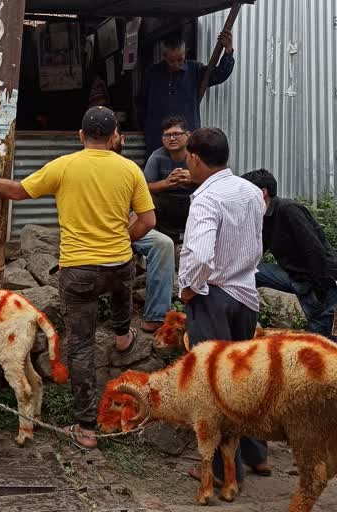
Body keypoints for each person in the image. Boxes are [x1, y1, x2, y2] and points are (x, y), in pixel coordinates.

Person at [0, 106, 156, 449]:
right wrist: (120, 240)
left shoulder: (64, 165)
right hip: (118, 263)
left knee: (82, 345)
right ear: (116, 135)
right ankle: (122, 335)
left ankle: (86, 428)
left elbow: (16, 191)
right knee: (122, 286)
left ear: (80, 136)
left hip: (79, 270)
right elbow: (147, 221)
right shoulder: (131, 169)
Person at [177, 127, 270, 485]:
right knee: (242, 377)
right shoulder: (251, 191)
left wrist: (188, 287)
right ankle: (256, 455)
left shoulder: (206, 198)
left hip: (213, 295)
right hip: (246, 295)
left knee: (215, 384)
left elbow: (200, 254)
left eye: (188, 156)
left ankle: (220, 469)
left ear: (196, 158)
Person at [241, 169, 337, 341]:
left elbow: (314, 251)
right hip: (292, 276)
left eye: (245, 192)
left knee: (323, 343)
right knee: (246, 272)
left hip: (318, 283)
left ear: (262, 193)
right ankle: (245, 331)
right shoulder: (263, 216)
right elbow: (256, 250)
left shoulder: (289, 209)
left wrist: (318, 293)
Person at [111, 132, 175, 334]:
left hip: (125, 227)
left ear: (122, 139)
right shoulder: (78, 166)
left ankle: (156, 316)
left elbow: (144, 211)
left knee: (163, 244)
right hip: (94, 230)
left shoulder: (130, 169)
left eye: (114, 135)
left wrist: (132, 220)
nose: (111, 140)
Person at [139, 31, 236, 156]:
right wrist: (145, 126)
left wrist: (228, 52)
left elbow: (219, 75)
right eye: (171, 61)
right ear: (164, 56)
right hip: (157, 138)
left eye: (180, 59)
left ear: (185, 53)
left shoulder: (196, 70)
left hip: (187, 136)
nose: (176, 64)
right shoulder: (152, 73)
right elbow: (142, 102)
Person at [143, 115, 197, 240]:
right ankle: (156, 237)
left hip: (193, 202)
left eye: (176, 134)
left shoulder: (196, 155)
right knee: (145, 199)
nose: (171, 138)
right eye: (167, 135)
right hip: (166, 204)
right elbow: (145, 187)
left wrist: (193, 178)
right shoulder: (157, 156)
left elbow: (213, 180)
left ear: (188, 135)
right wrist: (166, 183)